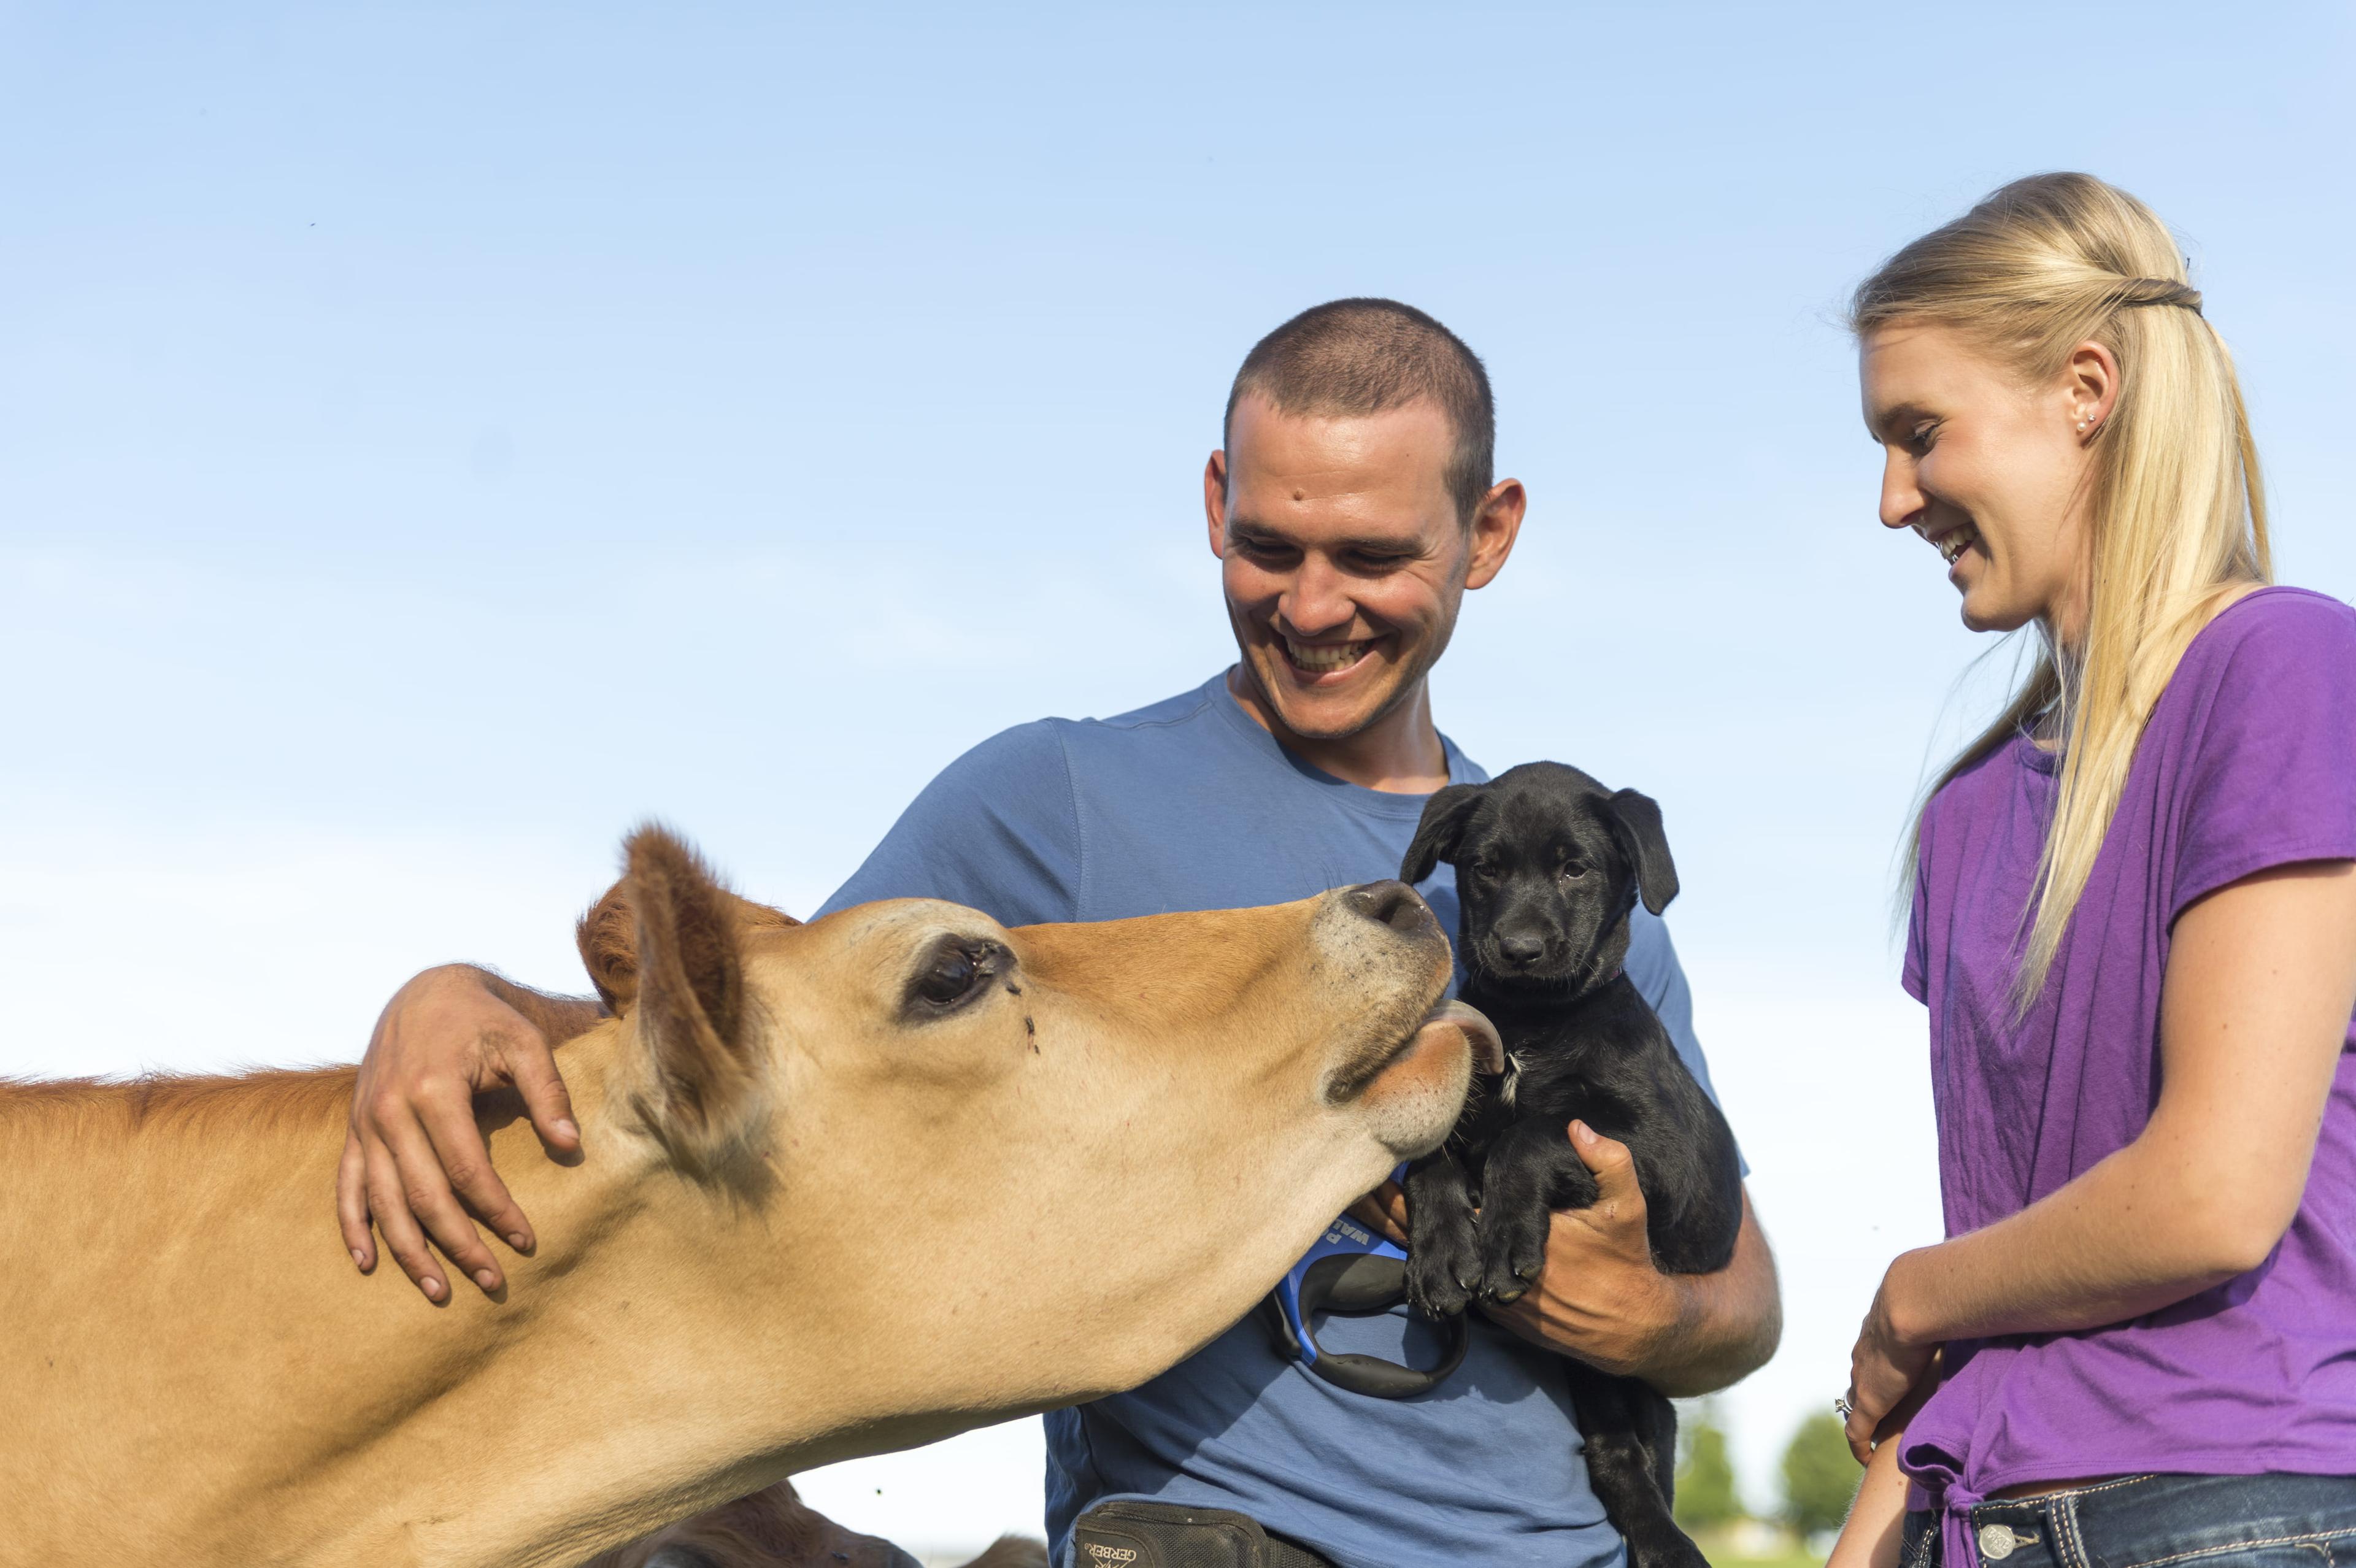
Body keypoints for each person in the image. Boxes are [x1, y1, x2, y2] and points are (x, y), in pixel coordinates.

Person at [335, 298, 1782, 1567]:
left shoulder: (1580, 893)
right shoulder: (1057, 802)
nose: (1314, 603)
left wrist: (1646, 1319)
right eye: (1270, 544)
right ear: (1215, 498)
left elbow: (1745, 1300)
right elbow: (769, 1062)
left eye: (1372, 554)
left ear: (1491, 530)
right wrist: (469, 994)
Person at [1828, 174, 2356, 1568]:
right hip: (1991, 1515)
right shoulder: (1965, 817)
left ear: (2085, 388)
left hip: (2237, 1509)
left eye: (1918, 434)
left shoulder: (2285, 670)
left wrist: (1909, 1296)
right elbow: (2012, 1280)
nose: (1893, 501)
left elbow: (2213, 1197)